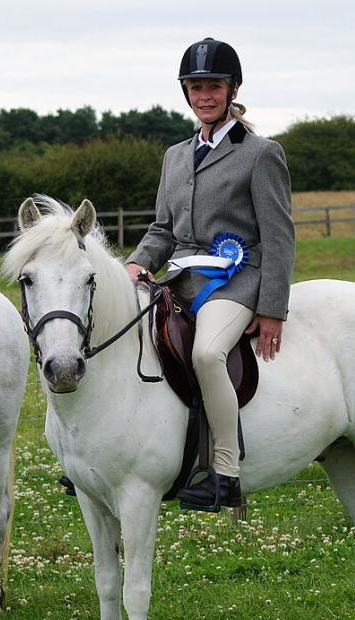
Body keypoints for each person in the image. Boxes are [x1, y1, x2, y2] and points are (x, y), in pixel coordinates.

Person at [125, 37, 295, 511]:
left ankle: (225, 471)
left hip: (239, 279)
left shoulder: (261, 153)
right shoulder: (175, 156)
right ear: (186, 92)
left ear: (233, 89)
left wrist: (272, 309)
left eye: (214, 87)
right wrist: (137, 263)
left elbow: (279, 237)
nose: (204, 96)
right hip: (181, 277)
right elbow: (163, 228)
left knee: (206, 353)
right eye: (196, 88)